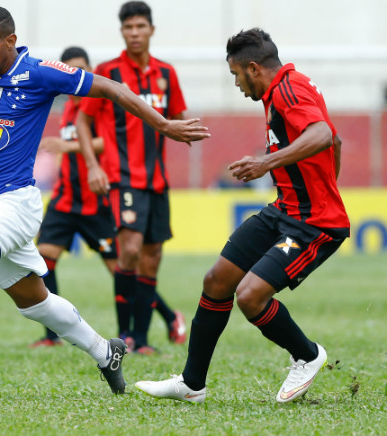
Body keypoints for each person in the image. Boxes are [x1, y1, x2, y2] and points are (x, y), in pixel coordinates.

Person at [0, 6, 209, 394]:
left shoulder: (40, 72)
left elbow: (112, 88)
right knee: (36, 302)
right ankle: (106, 352)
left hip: (16, 202)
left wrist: (163, 124)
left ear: (10, 41)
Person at [135, 28, 349, 403]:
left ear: (253, 68)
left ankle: (307, 355)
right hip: (284, 210)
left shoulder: (289, 90)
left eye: (235, 74)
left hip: (313, 223)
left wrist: (268, 163)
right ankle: (192, 384)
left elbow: (322, 134)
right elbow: (336, 141)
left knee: (250, 296)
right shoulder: (286, 86)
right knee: (218, 280)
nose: (235, 83)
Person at [76, 1, 190, 355]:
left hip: (158, 181)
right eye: (129, 28)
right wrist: (94, 166)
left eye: (141, 27)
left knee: (152, 257)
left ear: (151, 30)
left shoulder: (166, 74)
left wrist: (188, 130)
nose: (135, 33)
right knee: (129, 251)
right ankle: (124, 335)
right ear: (122, 32)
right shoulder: (108, 72)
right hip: (123, 180)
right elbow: (83, 120)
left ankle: (141, 340)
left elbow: (177, 117)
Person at [31, 46, 118, 347]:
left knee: (120, 270)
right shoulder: (68, 106)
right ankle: (50, 335)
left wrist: (67, 147)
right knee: (44, 261)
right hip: (66, 199)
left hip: (96, 201)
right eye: (71, 71)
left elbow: (108, 143)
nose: (77, 77)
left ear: (90, 70)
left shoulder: (100, 104)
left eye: (82, 69)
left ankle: (167, 318)